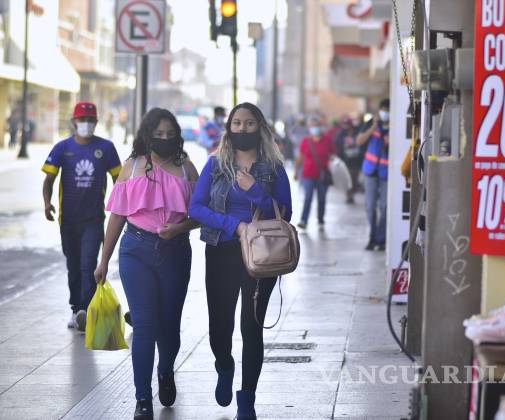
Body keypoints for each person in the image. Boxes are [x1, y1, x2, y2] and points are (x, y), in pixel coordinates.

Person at [188, 102, 292, 420]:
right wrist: (235, 226)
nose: (242, 129)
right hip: (222, 251)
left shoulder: (273, 167)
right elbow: (196, 208)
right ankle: (224, 365)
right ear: (228, 128)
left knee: (252, 327)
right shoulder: (215, 164)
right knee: (219, 328)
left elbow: (285, 213)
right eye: (236, 123)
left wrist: (256, 191)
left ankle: (247, 401)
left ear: (259, 127)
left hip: (262, 257)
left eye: (249, 123)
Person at [94, 108, 198, 420]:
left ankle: (165, 371)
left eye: (170, 134)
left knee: (169, 326)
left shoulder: (186, 168)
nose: (164, 139)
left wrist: (179, 228)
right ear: (147, 135)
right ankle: (142, 398)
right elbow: (117, 216)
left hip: (175, 251)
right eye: (159, 134)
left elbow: (201, 214)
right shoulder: (132, 167)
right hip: (135, 251)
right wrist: (103, 261)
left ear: (177, 136)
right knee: (144, 325)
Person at [41, 102, 121, 331]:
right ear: (74, 122)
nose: (86, 123)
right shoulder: (62, 148)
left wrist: (119, 206)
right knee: (73, 267)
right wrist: (47, 203)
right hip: (68, 220)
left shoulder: (106, 148)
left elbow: (119, 179)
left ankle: (86, 310)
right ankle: (76, 308)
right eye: (82, 119)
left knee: (88, 265)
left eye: (90, 120)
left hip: (94, 219)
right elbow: (49, 179)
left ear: (96, 122)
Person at [356, 98, 390, 251]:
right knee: (370, 206)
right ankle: (373, 236)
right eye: (383, 110)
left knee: (385, 206)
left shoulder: (396, 125)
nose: (385, 113)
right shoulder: (371, 123)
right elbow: (359, 141)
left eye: (388, 111)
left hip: (386, 173)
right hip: (370, 171)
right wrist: (373, 127)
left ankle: (381, 239)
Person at [294, 116, 336, 230]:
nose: (314, 128)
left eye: (316, 126)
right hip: (308, 174)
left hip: (323, 175)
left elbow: (333, 156)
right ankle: (304, 220)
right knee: (308, 198)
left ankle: (320, 220)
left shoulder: (327, 140)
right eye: (311, 126)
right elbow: (300, 157)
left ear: (320, 127)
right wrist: (296, 171)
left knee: (322, 199)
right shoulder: (306, 141)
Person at [334, 116, 362, 204]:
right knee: (346, 179)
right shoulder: (340, 134)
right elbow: (337, 146)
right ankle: (348, 195)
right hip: (345, 161)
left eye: (348, 124)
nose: (346, 126)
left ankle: (352, 193)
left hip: (356, 161)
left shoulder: (357, 132)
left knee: (354, 179)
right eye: (345, 124)